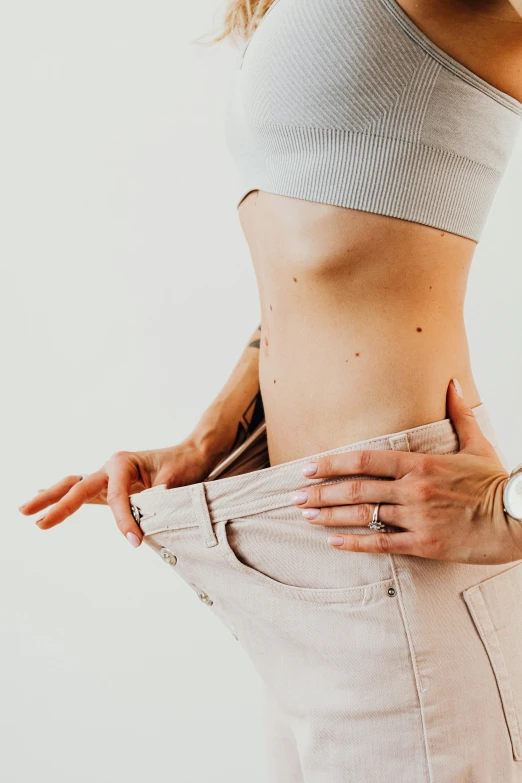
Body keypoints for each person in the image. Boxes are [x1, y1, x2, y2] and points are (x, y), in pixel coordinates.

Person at [19, 0, 522, 779]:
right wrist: (207, 439)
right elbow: (318, 263)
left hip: (400, 557)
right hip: (304, 553)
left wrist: (510, 522)